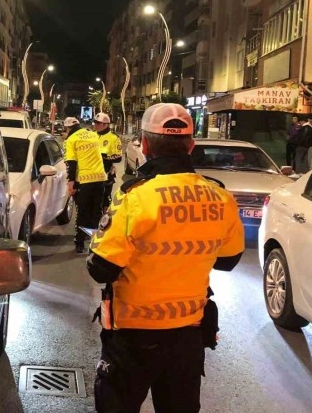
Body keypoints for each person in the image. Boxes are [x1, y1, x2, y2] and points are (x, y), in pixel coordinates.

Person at [86, 103, 245, 413]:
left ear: (144, 145)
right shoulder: (220, 197)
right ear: (191, 144)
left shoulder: (135, 197)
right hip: (187, 336)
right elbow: (228, 260)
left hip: (132, 337)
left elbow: (100, 269)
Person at [64, 116, 106, 254]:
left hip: (84, 179)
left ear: (68, 128)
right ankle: (95, 243)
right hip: (100, 178)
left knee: (82, 212)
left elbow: (71, 163)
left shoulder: (71, 140)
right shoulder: (93, 134)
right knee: (96, 211)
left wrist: (71, 184)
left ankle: (80, 243)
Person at [92, 113, 123, 212]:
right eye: (95, 122)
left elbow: (118, 157)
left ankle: (106, 217)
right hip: (91, 172)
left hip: (106, 172)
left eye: (98, 123)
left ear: (106, 125)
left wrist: (104, 157)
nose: (95, 125)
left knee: (105, 196)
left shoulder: (114, 138)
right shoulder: (92, 135)